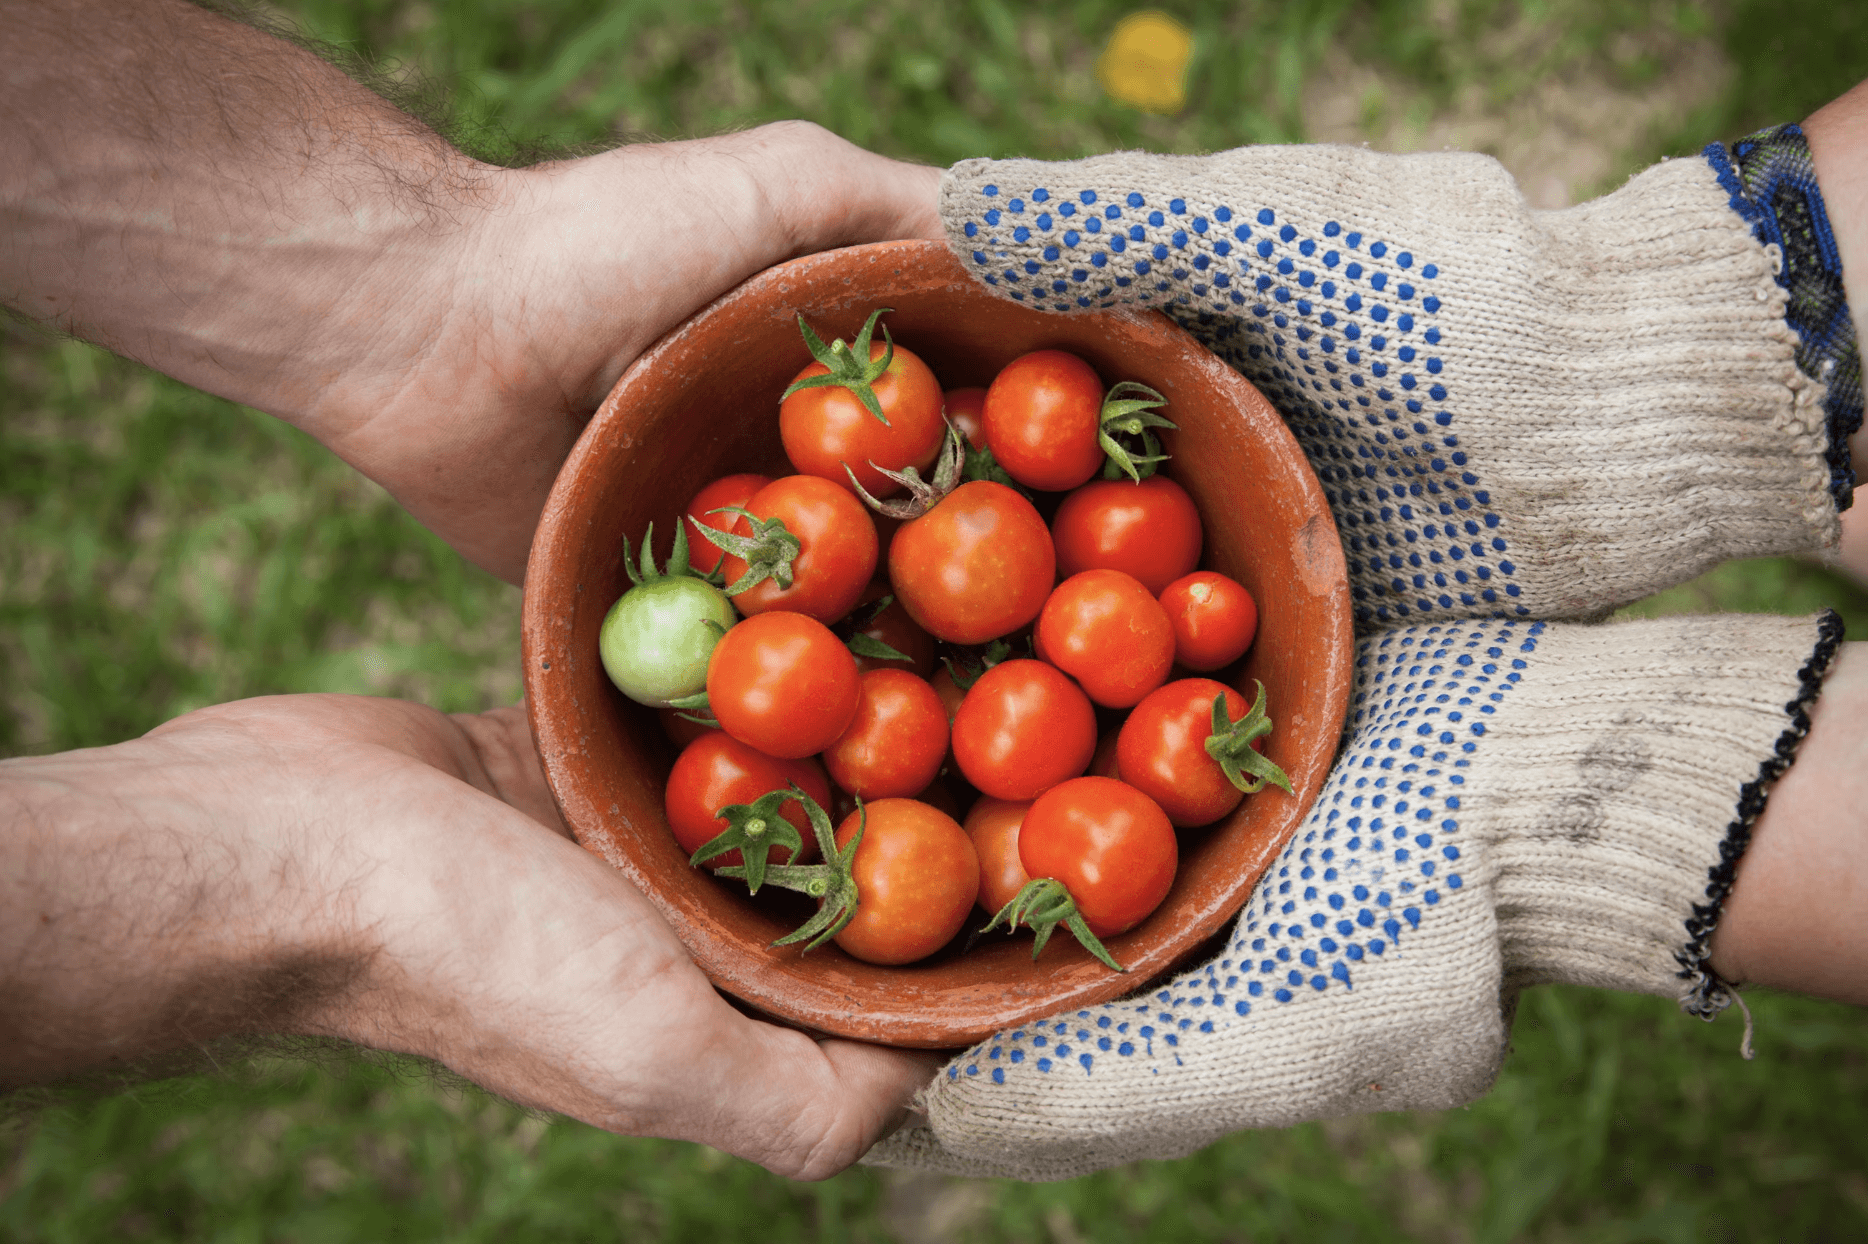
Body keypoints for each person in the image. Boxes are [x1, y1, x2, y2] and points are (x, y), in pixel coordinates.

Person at [1, 0, 1862, 1183]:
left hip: (1063, 694)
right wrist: (312, 894)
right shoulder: (882, 689)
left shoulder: (892, 598)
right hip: (1051, 726)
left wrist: (413, 278)